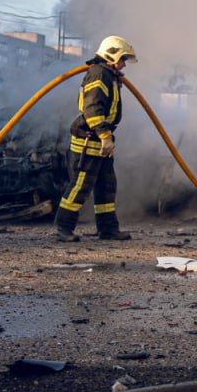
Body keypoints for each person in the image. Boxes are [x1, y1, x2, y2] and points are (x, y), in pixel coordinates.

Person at [53, 35, 136, 243]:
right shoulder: (99, 74)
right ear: (111, 55)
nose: (124, 64)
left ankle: (108, 229)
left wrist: (106, 138)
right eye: (123, 59)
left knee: (106, 186)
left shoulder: (109, 75)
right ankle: (63, 228)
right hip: (89, 140)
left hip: (101, 140)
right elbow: (92, 109)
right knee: (80, 186)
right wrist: (105, 136)